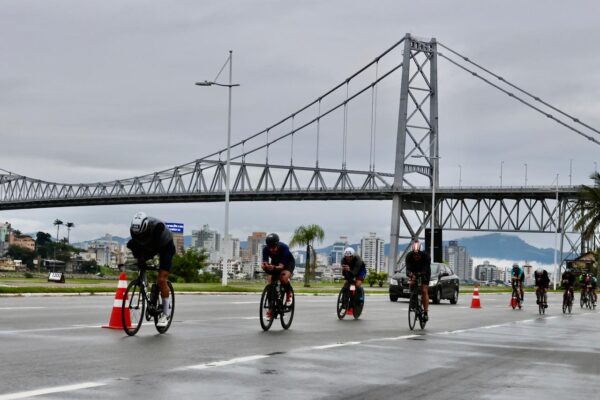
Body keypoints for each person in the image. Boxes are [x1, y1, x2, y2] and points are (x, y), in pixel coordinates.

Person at [126, 212, 175, 328]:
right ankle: (146, 287)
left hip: (165, 246)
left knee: (161, 279)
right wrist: (140, 259)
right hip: (148, 246)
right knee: (132, 245)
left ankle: (165, 313)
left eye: (142, 233)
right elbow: (137, 245)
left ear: (146, 226)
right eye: (138, 234)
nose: (139, 235)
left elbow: (155, 249)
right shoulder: (134, 230)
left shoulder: (158, 228)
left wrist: (150, 260)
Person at [261, 233, 296, 315]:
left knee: (283, 278)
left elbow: (281, 267)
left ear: (277, 245)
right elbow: (265, 261)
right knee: (270, 282)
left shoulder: (284, 248)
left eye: (273, 247)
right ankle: (271, 308)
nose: (271, 250)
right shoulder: (265, 249)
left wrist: (273, 267)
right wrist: (265, 266)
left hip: (288, 263)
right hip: (275, 263)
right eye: (269, 247)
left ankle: (288, 294)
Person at [405, 239, 430, 322]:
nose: (416, 257)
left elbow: (426, 268)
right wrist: (410, 274)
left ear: (421, 253)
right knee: (411, 282)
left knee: (424, 290)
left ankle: (426, 312)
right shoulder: (409, 256)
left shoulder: (426, 256)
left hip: (424, 271)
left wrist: (421, 274)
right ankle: (413, 299)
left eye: (418, 255)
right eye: (414, 255)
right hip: (414, 270)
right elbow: (408, 269)